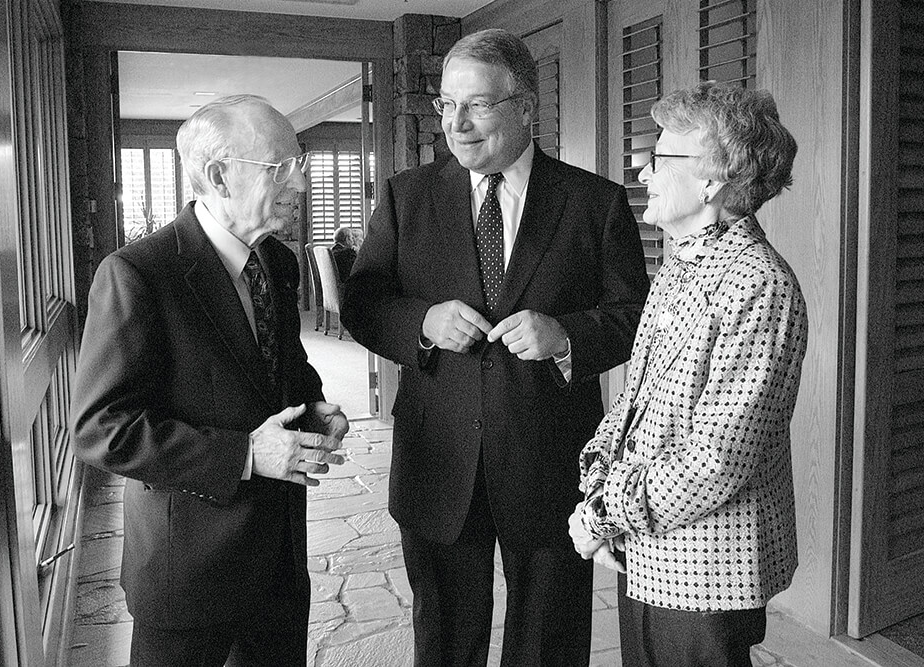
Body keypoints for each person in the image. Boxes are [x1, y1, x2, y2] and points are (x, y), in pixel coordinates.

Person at [342, 28, 649, 666]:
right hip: (438, 458)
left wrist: (568, 336)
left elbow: (635, 315)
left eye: (477, 105)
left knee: (550, 643)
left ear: (525, 108)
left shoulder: (594, 202)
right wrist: (422, 322)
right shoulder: (406, 196)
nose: (455, 124)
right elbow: (363, 306)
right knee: (446, 639)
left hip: (552, 458)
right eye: (446, 106)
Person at [70, 94, 348, 667]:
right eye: (282, 167)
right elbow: (102, 429)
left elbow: (285, 368)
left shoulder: (276, 261)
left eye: (302, 161)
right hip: (187, 573)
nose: (301, 182)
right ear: (219, 176)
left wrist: (315, 407)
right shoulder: (137, 275)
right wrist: (245, 454)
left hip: (278, 561)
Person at [568, 81, 807, 667]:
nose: (641, 170)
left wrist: (604, 512)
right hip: (648, 546)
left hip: (707, 567)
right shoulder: (680, 262)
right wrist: (596, 481)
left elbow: (716, 461)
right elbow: (633, 402)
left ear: (712, 181)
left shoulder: (759, 284)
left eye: (659, 157)